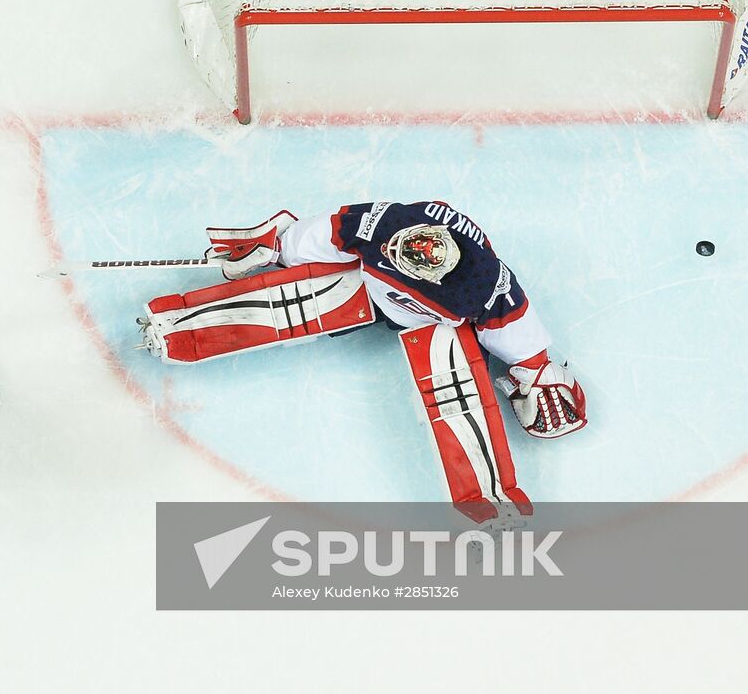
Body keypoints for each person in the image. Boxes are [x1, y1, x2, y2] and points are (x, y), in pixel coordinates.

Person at [140, 200, 586, 522]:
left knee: (458, 405)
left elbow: (515, 326)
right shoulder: (388, 225)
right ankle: (179, 326)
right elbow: (331, 233)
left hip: (434, 326)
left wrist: (536, 372)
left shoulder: (486, 287)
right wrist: (276, 246)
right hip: (367, 288)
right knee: (292, 300)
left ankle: (494, 508)